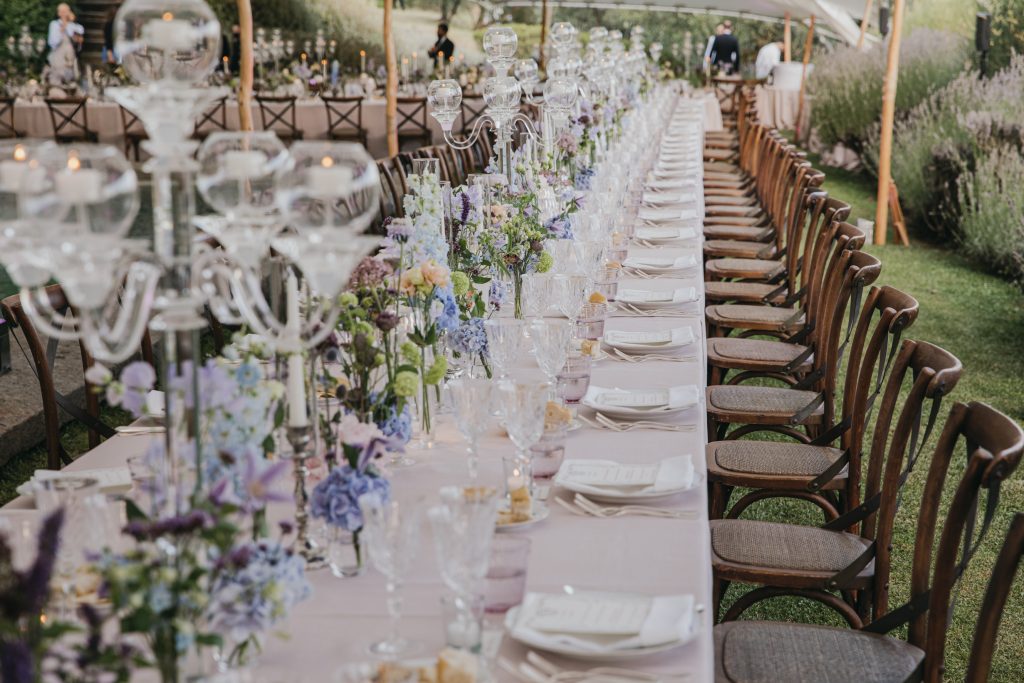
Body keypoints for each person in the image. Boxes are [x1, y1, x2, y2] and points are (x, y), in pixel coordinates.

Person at [47, 3, 84, 84]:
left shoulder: (75, 26)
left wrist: (70, 23)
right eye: (62, 11)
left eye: (66, 11)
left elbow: (79, 37)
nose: (64, 14)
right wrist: (62, 28)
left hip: (71, 60)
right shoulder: (54, 25)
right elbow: (53, 42)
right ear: (58, 13)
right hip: (58, 60)